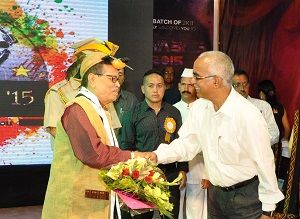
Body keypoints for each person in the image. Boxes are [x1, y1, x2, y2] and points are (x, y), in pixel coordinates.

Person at [143, 51, 284, 219]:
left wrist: (267, 210)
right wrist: (156, 155)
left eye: (197, 77)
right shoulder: (199, 108)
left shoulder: (248, 115)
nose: (192, 82)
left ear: (216, 81)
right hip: (215, 196)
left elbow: (265, 162)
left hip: (246, 200)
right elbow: (186, 144)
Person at [42, 49, 143, 219]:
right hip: (74, 208)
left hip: (92, 206)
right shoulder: (77, 109)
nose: (117, 84)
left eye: (118, 79)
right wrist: (133, 156)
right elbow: (94, 154)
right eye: (112, 79)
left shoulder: (102, 110)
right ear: (93, 79)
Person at [120, 69, 188, 219]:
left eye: (159, 85)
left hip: (169, 174)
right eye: (151, 86)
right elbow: (126, 146)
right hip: (142, 175)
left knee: (170, 216)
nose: (155, 90)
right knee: (141, 217)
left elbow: (181, 143)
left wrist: (183, 169)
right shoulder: (132, 114)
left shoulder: (174, 112)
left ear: (165, 87)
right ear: (143, 89)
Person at [43, 38, 121, 149]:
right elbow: (54, 129)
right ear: (79, 63)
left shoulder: (103, 92)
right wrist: (92, 151)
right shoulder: (58, 92)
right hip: (72, 162)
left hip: (104, 160)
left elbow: (112, 128)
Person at [174, 68, 209, 219]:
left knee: (197, 209)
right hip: (176, 168)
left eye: (191, 85)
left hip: (199, 168)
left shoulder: (205, 108)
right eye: (184, 85)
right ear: (178, 86)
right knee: (176, 208)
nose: (187, 89)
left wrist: (208, 173)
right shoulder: (172, 109)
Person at [232, 69, 280, 146]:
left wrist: (254, 143)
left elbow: (274, 133)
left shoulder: (262, 106)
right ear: (230, 87)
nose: (242, 88)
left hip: (257, 154)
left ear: (249, 85)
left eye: (245, 84)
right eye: (237, 85)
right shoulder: (225, 107)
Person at [114, 67, 138, 144]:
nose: (117, 77)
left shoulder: (131, 99)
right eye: (114, 74)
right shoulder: (100, 98)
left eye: (120, 74)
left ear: (124, 78)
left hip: (125, 149)